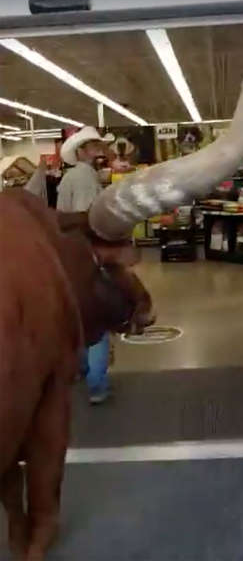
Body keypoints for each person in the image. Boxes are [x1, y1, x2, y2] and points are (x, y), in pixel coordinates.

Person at [58, 126, 115, 404]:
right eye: (92, 145)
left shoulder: (71, 177)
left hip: (67, 254)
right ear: (81, 151)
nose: (97, 149)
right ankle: (97, 384)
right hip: (87, 254)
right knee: (98, 319)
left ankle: (80, 370)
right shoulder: (84, 177)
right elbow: (86, 218)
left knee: (77, 316)